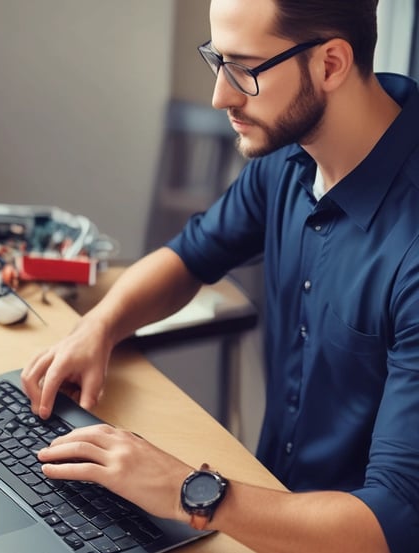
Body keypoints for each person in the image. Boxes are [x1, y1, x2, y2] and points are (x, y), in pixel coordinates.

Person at [21, 0, 419, 552]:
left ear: (330, 64)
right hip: (266, 512)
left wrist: (186, 490)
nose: (220, 97)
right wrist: (99, 327)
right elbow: (192, 254)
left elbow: (393, 519)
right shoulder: (293, 154)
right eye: (218, 60)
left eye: (245, 70)